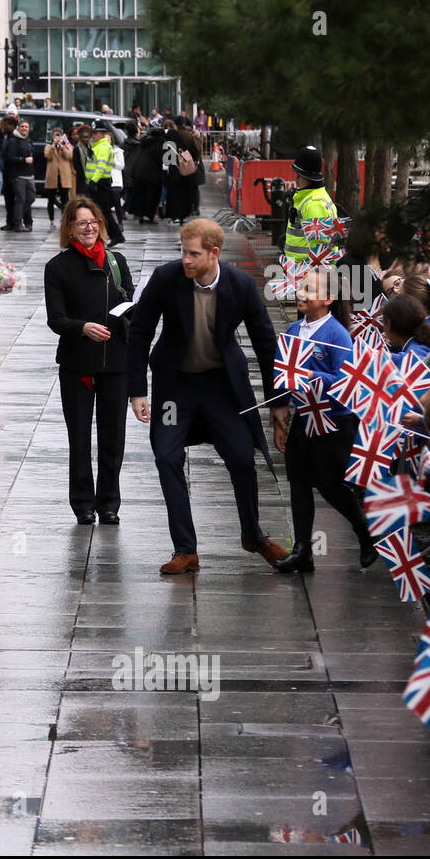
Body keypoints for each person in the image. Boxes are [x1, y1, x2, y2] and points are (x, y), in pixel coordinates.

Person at [126, 218, 290, 574]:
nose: (186, 259)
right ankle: (185, 550)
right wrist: (137, 390)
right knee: (166, 456)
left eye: (194, 254)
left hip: (221, 387)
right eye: (183, 252)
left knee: (243, 458)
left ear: (214, 254)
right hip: (174, 389)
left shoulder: (241, 285)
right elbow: (139, 331)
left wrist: (278, 402)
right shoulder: (167, 278)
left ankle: (253, 535)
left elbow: (266, 344)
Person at [270, 269, 378, 573]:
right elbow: (280, 374)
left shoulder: (337, 335)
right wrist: (280, 412)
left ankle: (365, 533)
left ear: (329, 300)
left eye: (310, 290)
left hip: (334, 422)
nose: (301, 294)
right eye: (301, 287)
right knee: (299, 482)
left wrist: (311, 376)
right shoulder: (292, 330)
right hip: (304, 418)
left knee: (330, 484)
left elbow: (345, 380)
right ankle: (302, 550)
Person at [44, 197, 134, 525]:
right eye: (81, 223)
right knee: (79, 438)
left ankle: (109, 502)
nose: (89, 227)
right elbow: (56, 319)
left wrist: (134, 311)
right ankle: (82, 502)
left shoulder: (116, 260)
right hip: (77, 365)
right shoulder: (58, 267)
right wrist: (82, 327)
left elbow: (131, 303)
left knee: (113, 438)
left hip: (115, 365)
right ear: (69, 229)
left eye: (93, 221)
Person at [283, 146, 338, 263]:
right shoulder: (310, 199)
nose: (296, 178)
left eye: (297, 174)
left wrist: (312, 278)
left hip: (309, 273)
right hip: (303, 272)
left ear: (303, 175)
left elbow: (320, 249)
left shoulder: (314, 204)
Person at [1, 119, 35, 232]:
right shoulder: (13, 141)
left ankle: (16, 219)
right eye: (22, 126)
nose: (25, 128)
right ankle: (17, 224)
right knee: (21, 199)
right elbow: (9, 158)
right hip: (18, 176)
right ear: (18, 128)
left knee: (30, 198)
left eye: (26, 127)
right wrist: (23, 160)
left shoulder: (28, 140)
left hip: (29, 176)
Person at [42, 127, 75, 225]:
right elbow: (48, 156)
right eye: (55, 136)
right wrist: (53, 146)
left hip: (64, 176)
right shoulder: (48, 146)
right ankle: (51, 220)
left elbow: (70, 156)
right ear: (52, 137)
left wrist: (62, 146)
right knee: (51, 199)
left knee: (65, 199)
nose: (57, 138)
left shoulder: (67, 146)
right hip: (52, 176)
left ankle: (64, 219)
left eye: (59, 135)